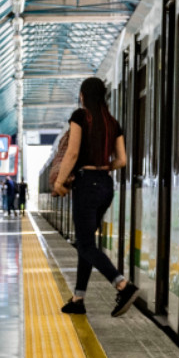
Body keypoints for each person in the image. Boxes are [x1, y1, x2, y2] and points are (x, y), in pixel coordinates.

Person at [53, 77, 139, 316]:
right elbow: (121, 161)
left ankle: (123, 285)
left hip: (87, 185)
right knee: (86, 243)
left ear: (83, 96)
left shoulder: (80, 117)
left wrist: (60, 181)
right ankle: (78, 299)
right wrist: (104, 167)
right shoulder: (113, 123)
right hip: (105, 186)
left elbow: (72, 153)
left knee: (85, 244)